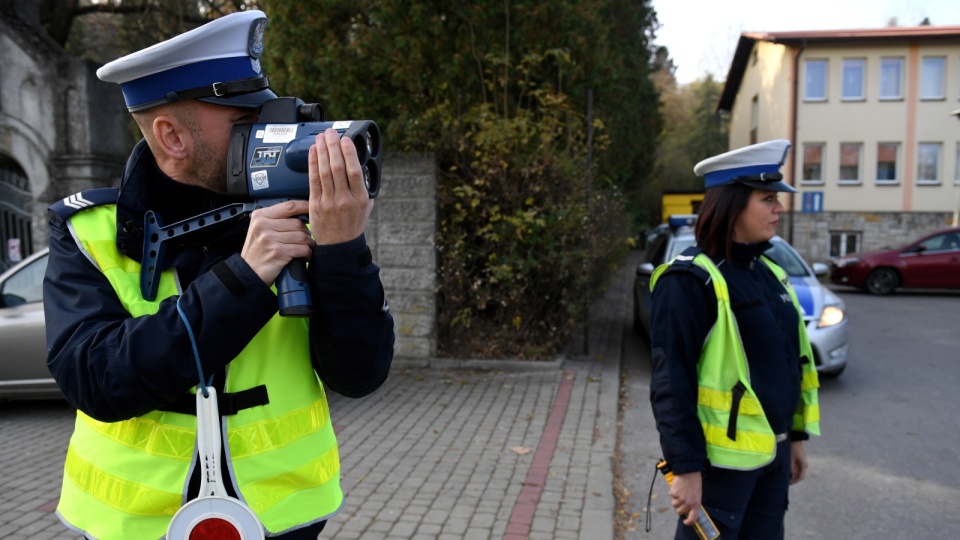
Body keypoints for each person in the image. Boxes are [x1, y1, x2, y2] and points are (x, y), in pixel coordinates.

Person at [43, 10, 394, 540]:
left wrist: (342, 248)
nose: (267, 128)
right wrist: (242, 279)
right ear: (172, 137)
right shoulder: (89, 230)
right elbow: (96, 380)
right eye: (242, 117)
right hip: (134, 526)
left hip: (283, 521)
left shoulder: (294, 214)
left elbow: (360, 375)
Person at [648, 139, 820, 539]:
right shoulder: (689, 280)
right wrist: (685, 468)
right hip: (718, 472)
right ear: (730, 205)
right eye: (767, 198)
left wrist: (793, 438)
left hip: (771, 461)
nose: (779, 207)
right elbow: (671, 384)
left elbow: (788, 364)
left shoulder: (769, 273)